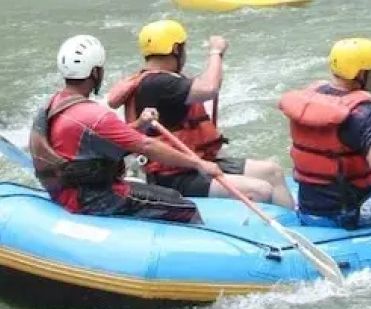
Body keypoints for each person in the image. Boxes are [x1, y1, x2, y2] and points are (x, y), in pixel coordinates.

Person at [28, 34, 224, 222]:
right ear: (96, 72)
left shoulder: (55, 103)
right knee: (184, 207)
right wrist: (198, 164)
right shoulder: (95, 116)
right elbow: (147, 146)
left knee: (157, 194)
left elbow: (107, 138)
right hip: (92, 198)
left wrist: (140, 125)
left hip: (66, 192)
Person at [107, 20, 295, 208]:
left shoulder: (156, 80)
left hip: (196, 163)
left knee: (273, 172)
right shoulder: (159, 83)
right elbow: (209, 88)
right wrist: (216, 52)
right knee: (260, 189)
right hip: (174, 175)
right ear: (176, 49)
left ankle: (298, 226)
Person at [277, 38, 371, 228]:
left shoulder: (312, 97)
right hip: (349, 215)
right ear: (361, 74)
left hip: (309, 211)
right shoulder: (363, 110)